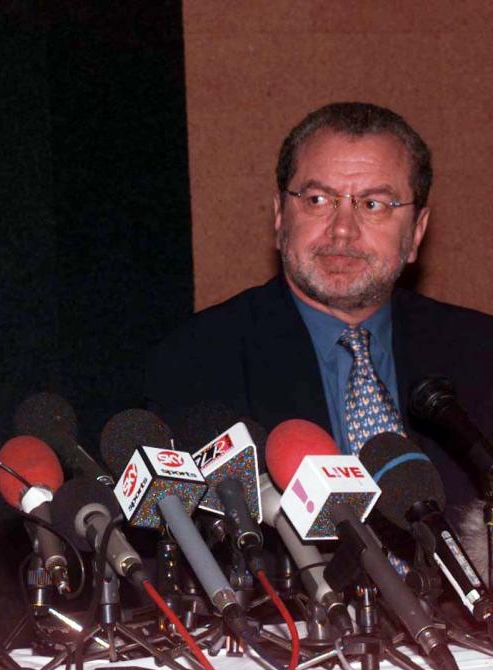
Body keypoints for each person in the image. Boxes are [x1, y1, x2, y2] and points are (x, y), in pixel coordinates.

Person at [147, 102, 493, 512]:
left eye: (373, 204)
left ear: (417, 232)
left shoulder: (481, 353)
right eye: (316, 199)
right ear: (279, 216)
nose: (342, 230)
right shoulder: (197, 360)